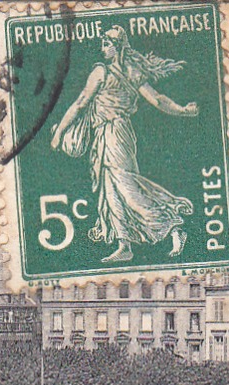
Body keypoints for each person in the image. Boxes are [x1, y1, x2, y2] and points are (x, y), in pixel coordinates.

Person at [48, 23, 199, 264]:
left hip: (115, 134)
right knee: (111, 191)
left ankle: (171, 226)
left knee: (126, 188)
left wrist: (59, 133)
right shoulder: (123, 72)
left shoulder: (108, 72)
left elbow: (81, 104)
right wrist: (183, 111)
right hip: (105, 134)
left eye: (106, 44)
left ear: (117, 47)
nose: (102, 48)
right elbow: (82, 103)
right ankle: (124, 244)